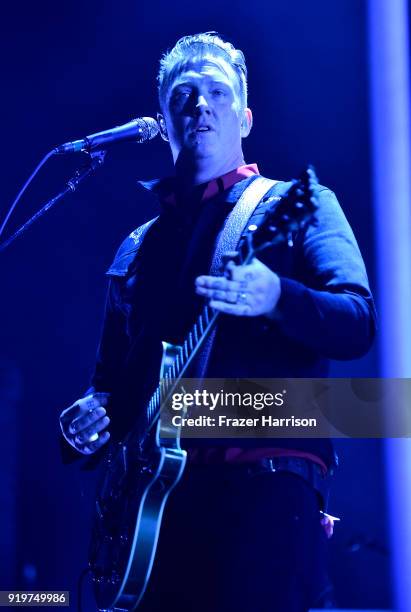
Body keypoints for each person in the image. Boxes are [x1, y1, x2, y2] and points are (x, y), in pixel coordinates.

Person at [60, 32, 376, 611]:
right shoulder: (135, 250)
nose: (200, 105)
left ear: (246, 118)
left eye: (217, 92)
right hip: (153, 521)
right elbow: (111, 389)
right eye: (184, 94)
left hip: (263, 498)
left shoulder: (293, 206)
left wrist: (278, 294)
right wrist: (83, 423)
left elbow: (356, 321)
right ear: (164, 119)